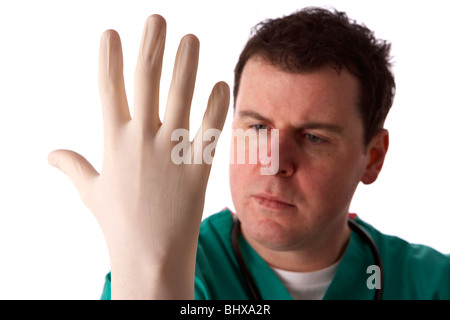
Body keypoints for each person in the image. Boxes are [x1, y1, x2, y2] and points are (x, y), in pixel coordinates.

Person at [48, 7, 450, 300]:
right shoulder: (169, 269)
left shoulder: (432, 283)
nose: (273, 164)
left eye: (313, 137)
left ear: (373, 157)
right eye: (257, 128)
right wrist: (147, 282)